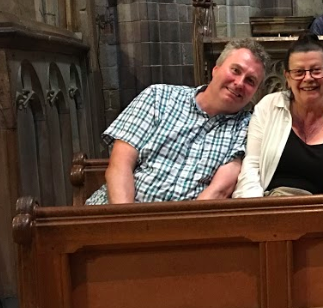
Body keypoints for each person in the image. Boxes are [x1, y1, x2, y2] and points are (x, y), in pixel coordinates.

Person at [86, 39, 270, 204]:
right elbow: (120, 164)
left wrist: (177, 228)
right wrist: (128, 222)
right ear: (216, 69)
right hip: (117, 212)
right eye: (235, 70)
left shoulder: (247, 127)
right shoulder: (158, 97)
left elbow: (219, 191)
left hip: (186, 224)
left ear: (256, 92)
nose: (239, 83)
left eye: (250, 81)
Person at [234, 34, 323, 197]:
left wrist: (321, 210)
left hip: (321, 208)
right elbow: (251, 167)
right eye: (299, 72)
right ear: (287, 77)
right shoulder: (268, 107)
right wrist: (258, 208)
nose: (308, 78)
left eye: (316, 71)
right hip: (268, 203)